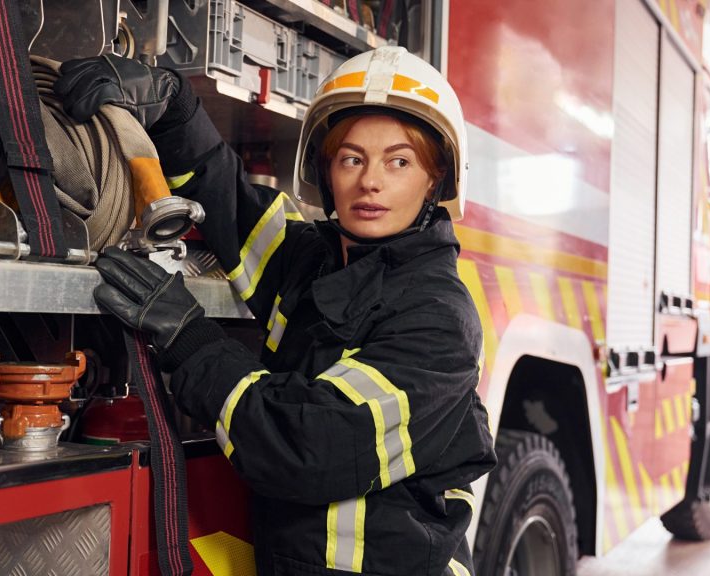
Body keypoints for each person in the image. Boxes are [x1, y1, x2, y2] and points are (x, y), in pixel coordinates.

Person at [56, 46, 497, 576]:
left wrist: (191, 341)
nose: (370, 181)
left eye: (398, 161)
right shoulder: (321, 260)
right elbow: (231, 204)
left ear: (435, 179)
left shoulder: (438, 316)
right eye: (351, 158)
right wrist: (177, 109)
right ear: (325, 170)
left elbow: (310, 445)